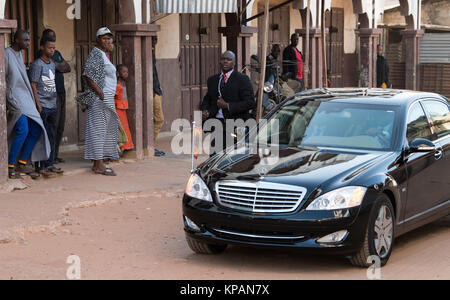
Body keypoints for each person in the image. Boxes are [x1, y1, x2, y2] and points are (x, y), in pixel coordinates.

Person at [5, 29, 51, 179]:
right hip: (14, 99)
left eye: (29, 40)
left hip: (26, 99)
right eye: (25, 40)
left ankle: (22, 163)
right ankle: (11, 167)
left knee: (36, 129)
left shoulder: (19, 54)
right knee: (23, 129)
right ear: (17, 40)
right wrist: (9, 100)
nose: (28, 43)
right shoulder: (6, 54)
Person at [78, 27, 119, 176]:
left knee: (103, 130)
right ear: (98, 40)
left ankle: (98, 162)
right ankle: (98, 165)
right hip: (100, 98)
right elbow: (88, 76)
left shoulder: (103, 55)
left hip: (105, 96)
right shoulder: (96, 54)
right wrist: (100, 93)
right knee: (98, 131)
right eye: (104, 38)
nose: (108, 41)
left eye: (109, 38)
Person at [201, 51, 256, 156]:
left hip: (235, 123)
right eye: (223, 59)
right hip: (217, 123)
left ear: (234, 62)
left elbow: (250, 102)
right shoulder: (213, 80)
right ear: (219, 61)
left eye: (229, 59)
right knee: (215, 156)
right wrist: (205, 110)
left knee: (231, 156)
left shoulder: (242, 79)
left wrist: (228, 106)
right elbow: (207, 98)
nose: (225, 61)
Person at [29, 36, 64, 178]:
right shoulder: (37, 64)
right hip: (42, 105)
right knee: (41, 136)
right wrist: (37, 104)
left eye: (54, 48)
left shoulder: (51, 64)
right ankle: (40, 166)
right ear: (42, 47)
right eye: (50, 47)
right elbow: (33, 84)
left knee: (51, 135)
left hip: (52, 105)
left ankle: (49, 163)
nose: (52, 50)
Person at [38, 29, 71, 165]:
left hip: (61, 92)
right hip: (51, 94)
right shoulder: (41, 53)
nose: (52, 47)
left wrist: (57, 66)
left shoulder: (56, 53)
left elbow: (67, 67)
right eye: (51, 38)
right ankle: (48, 157)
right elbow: (52, 67)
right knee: (52, 126)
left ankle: (55, 155)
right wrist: (57, 66)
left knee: (60, 127)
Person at [115, 64, 134, 152]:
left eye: (127, 72)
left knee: (125, 128)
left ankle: (125, 146)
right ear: (118, 73)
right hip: (118, 108)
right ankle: (121, 147)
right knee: (121, 128)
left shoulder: (124, 82)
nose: (126, 74)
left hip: (123, 108)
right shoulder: (117, 84)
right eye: (123, 72)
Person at [152, 35, 166, 157]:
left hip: (156, 90)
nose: (155, 42)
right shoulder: (147, 53)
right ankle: (150, 145)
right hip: (153, 91)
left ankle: (150, 145)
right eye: (153, 40)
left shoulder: (151, 52)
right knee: (159, 119)